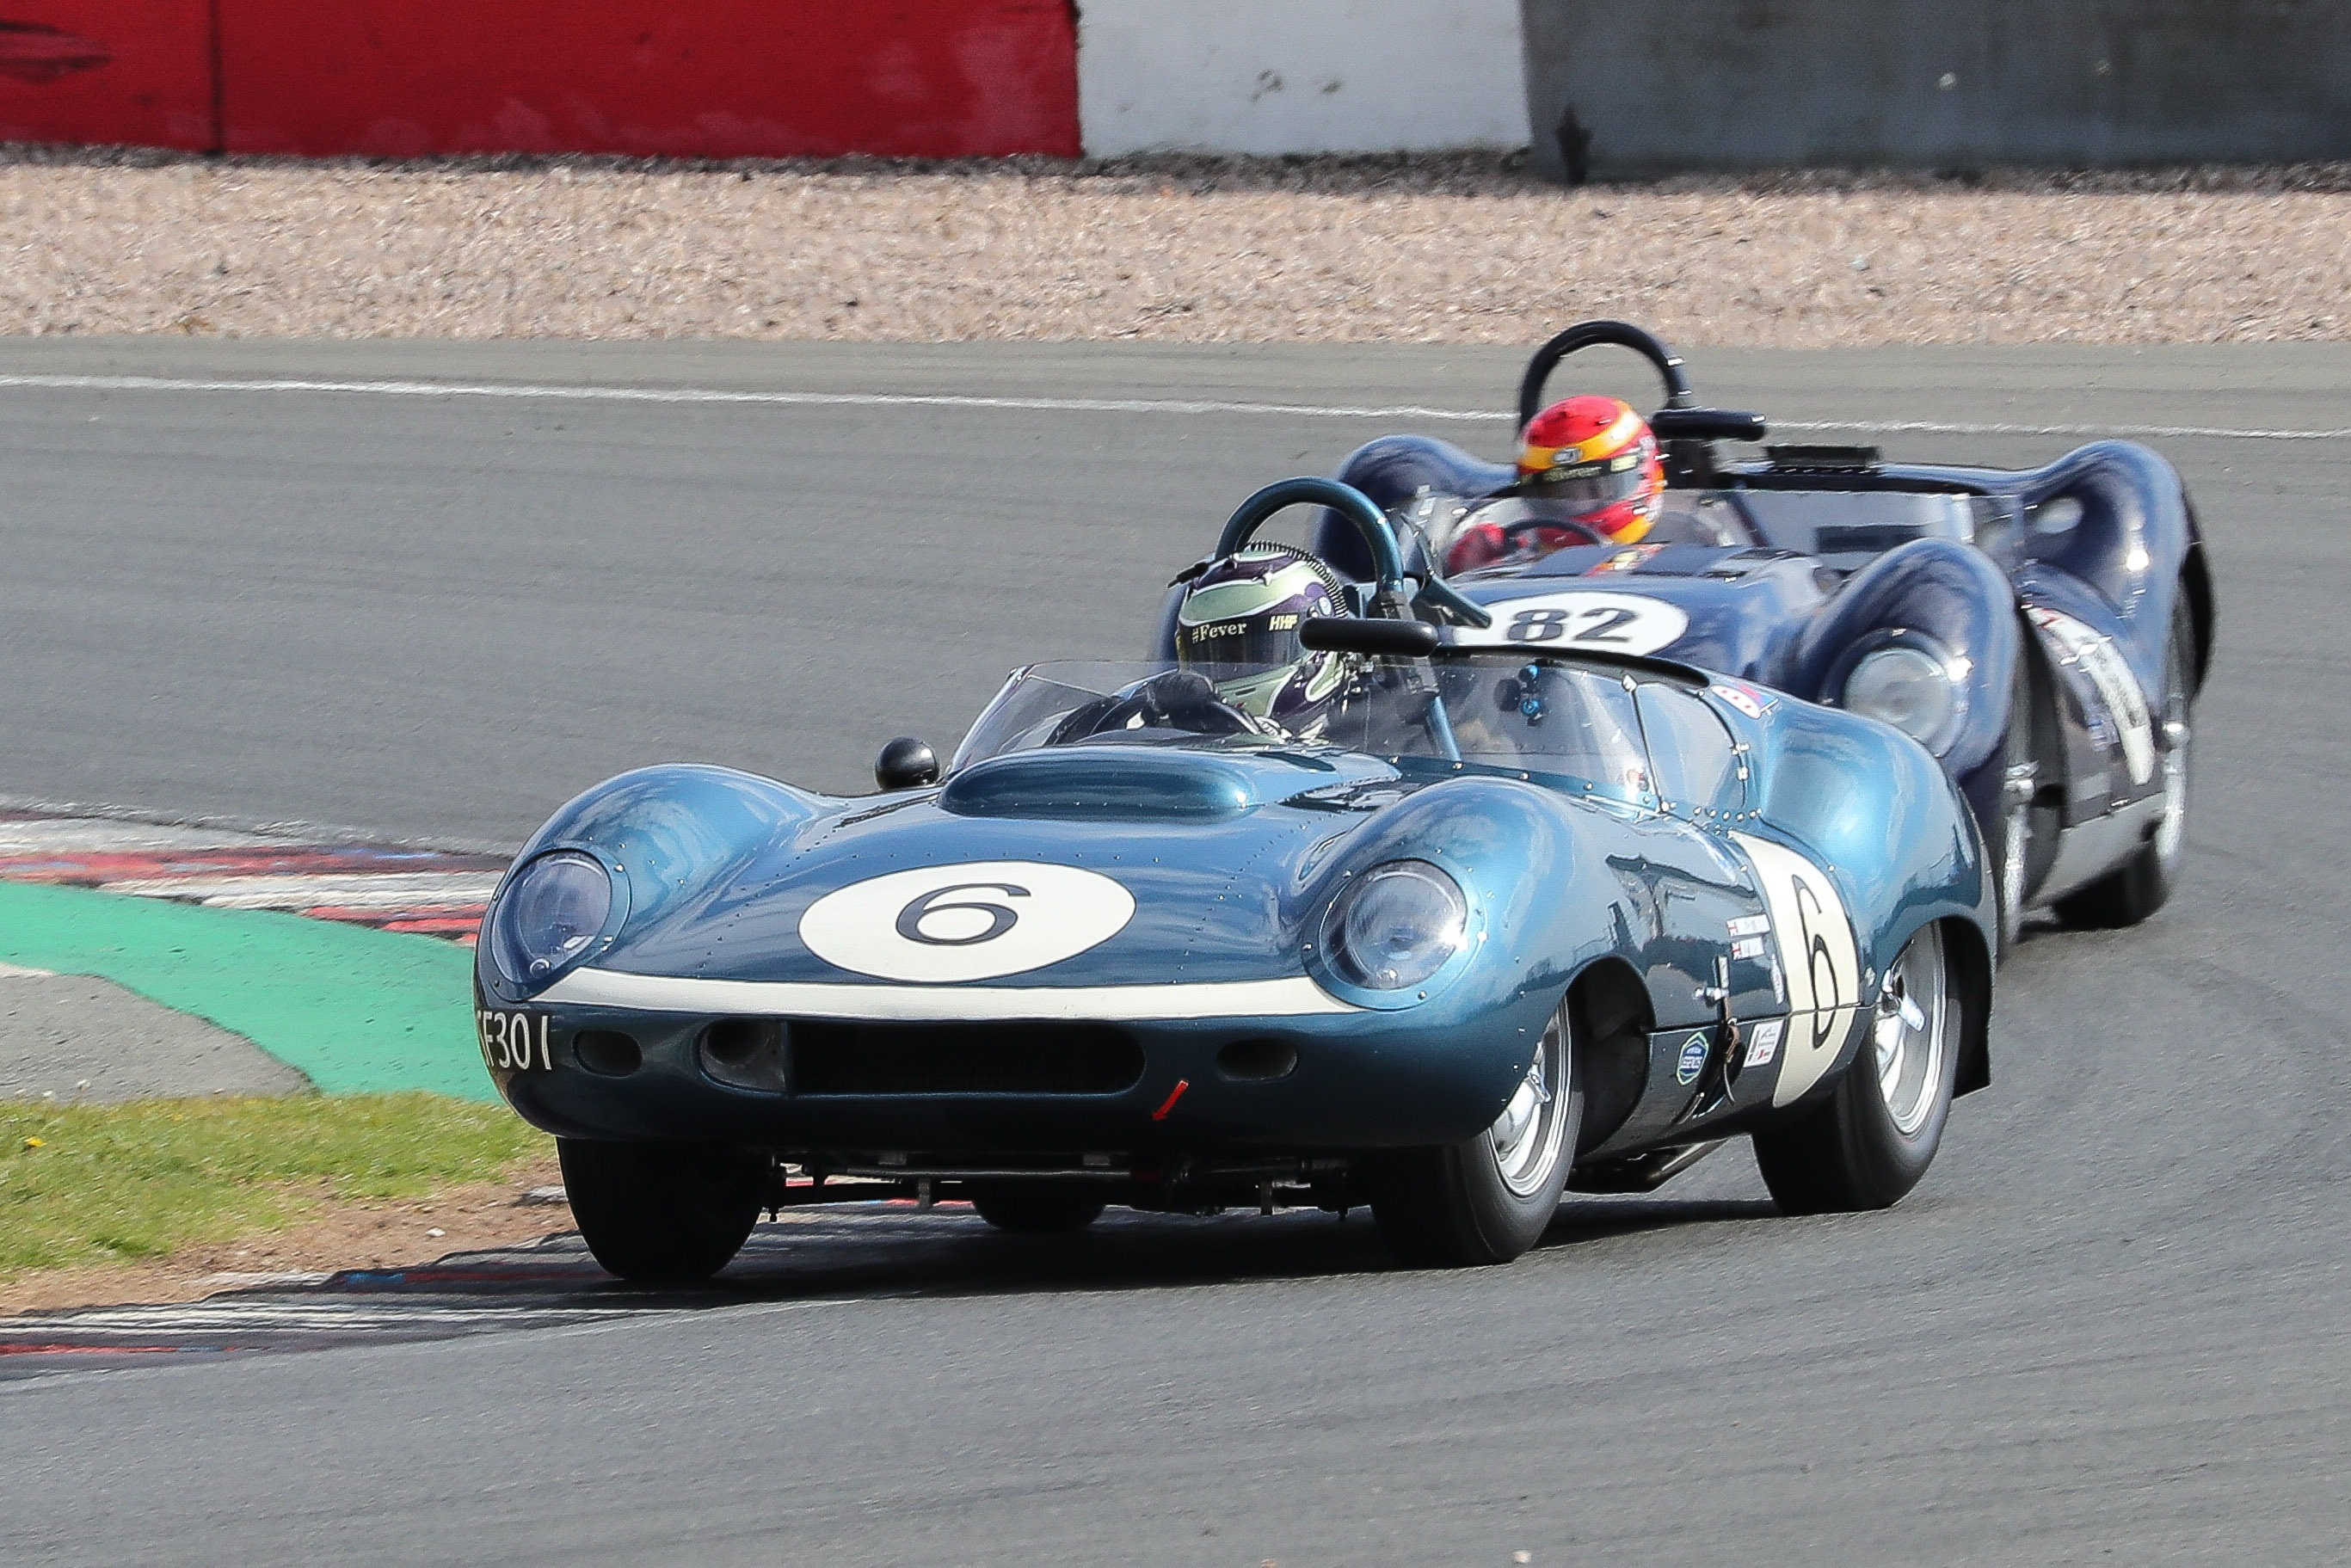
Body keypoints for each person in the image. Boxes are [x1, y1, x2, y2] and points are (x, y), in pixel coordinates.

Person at [1442, 394, 1665, 574]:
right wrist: (1466, 568)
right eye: (1558, 493)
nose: (1578, 503)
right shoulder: (1504, 536)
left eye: (1594, 489)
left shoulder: (1691, 533)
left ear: (1643, 473)